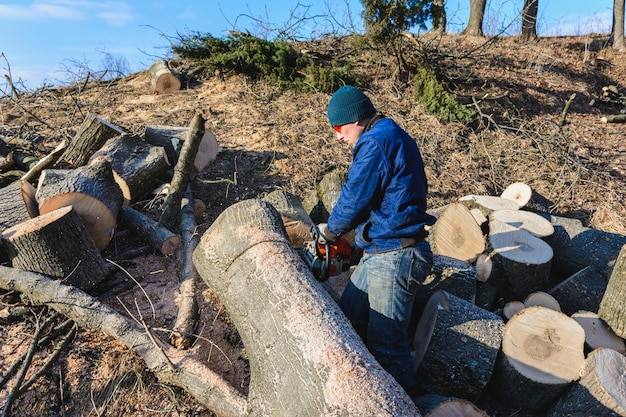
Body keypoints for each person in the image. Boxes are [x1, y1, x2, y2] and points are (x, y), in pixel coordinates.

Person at [317, 85, 435, 399]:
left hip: (396, 254)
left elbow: (355, 197)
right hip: (382, 248)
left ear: (354, 120)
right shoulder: (388, 134)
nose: (338, 137)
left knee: (389, 347)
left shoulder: (377, 142)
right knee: (349, 318)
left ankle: (407, 404)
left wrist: (330, 231)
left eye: (338, 129)